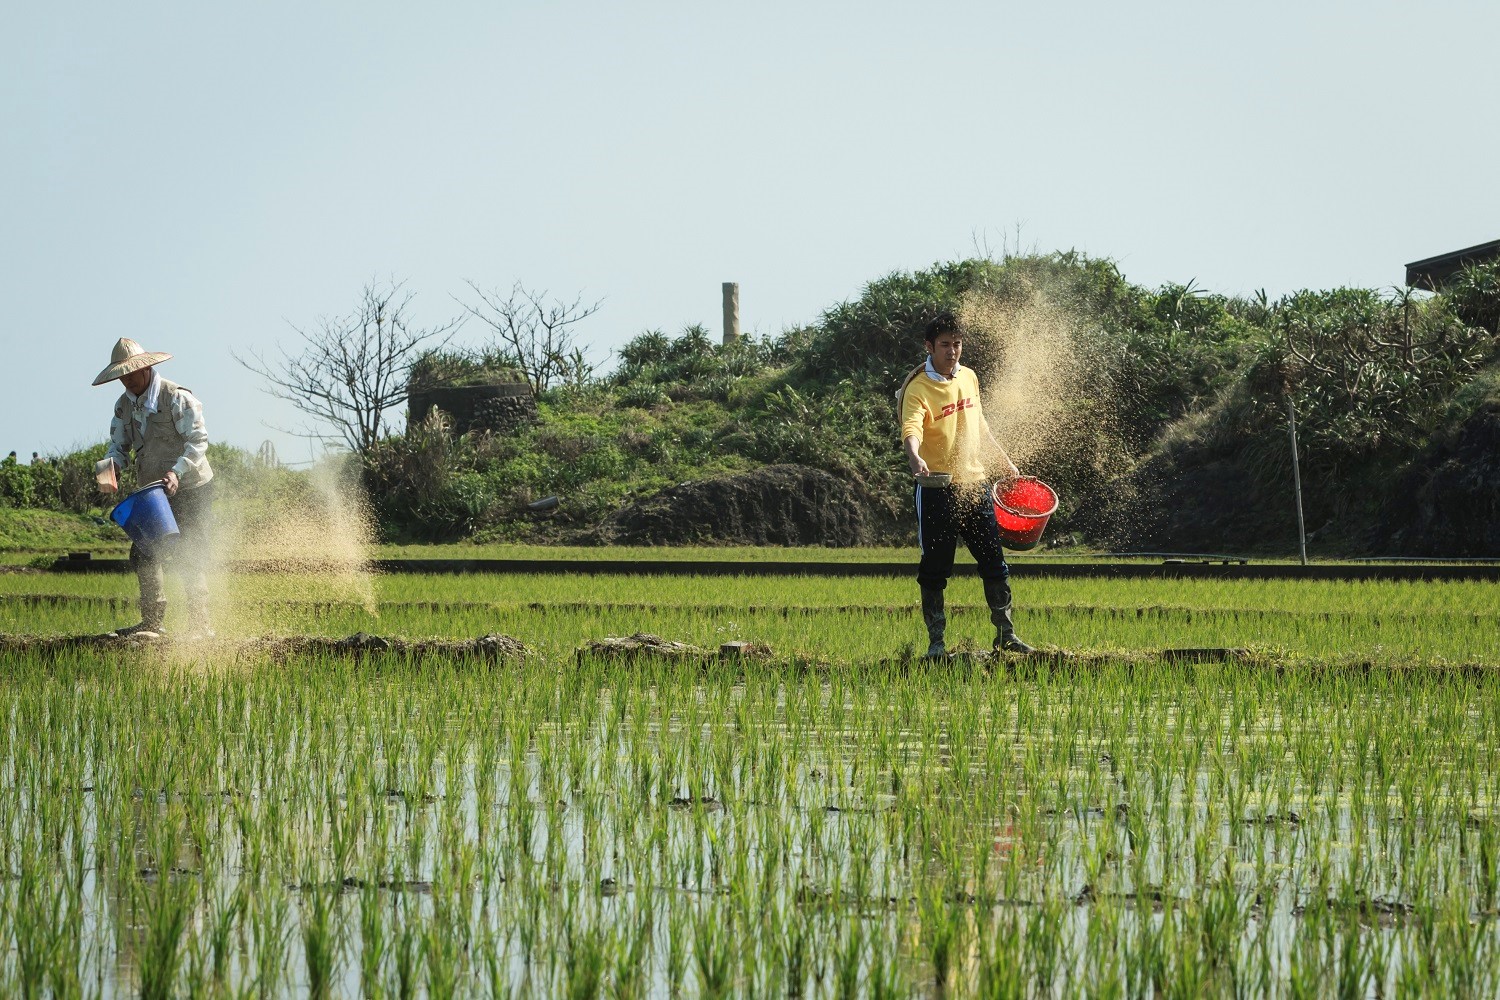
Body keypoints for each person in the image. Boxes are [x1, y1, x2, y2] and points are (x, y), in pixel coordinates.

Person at [898, 312, 1035, 657]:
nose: (952, 351)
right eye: (945, 344)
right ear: (929, 347)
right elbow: (911, 429)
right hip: (936, 488)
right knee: (935, 567)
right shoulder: (918, 388)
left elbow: (981, 426)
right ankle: (936, 644)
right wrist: (915, 458)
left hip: (975, 485)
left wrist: (1006, 462)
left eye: (957, 344)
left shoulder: (970, 377)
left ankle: (1005, 634)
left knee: (994, 561)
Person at [92, 338, 215, 638]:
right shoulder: (123, 406)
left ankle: (200, 625)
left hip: (191, 487)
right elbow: (118, 445)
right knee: (143, 553)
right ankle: (152, 622)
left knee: (190, 553)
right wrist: (113, 464)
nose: (127, 380)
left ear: (146, 367)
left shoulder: (177, 398)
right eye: (122, 376)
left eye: (132, 373)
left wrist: (177, 472)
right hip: (153, 492)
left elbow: (198, 441)